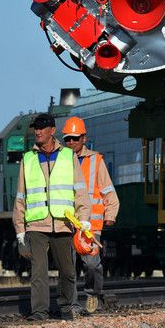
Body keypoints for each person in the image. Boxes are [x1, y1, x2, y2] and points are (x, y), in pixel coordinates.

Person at [12, 112, 91, 322]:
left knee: (68, 271)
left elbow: (80, 190)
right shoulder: (28, 159)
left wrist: (84, 218)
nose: (38, 131)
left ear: (52, 131)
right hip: (36, 225)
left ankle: (66, 307)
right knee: (38, 271)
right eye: (36, 128)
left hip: (64, 224)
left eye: (42, 128)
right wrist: (20, 231)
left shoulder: (68, 156)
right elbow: (20, 197)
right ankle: (39, 311)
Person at [62, 116, 119, 314]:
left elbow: (108, 190)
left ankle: (93, 295)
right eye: (67, 138)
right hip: (66, 223)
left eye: (75, 138)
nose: (71, 142)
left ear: (84, 138)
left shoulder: (96, 161)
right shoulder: (60, 160)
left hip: (90, 226)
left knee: (92, 264)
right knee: (68, 268)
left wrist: (110, 213)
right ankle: (71, 304)